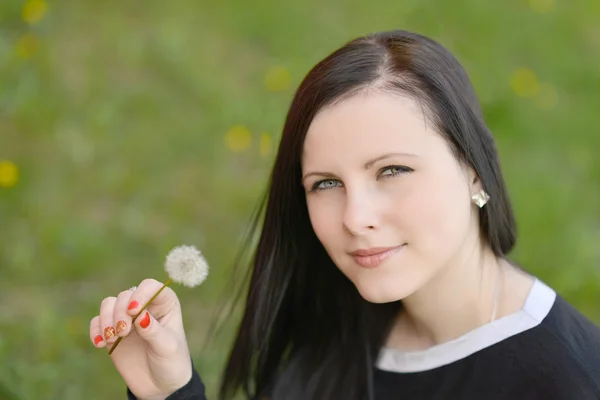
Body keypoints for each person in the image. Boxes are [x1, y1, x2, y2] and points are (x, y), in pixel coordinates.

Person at [89, 29, 600, 400]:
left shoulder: (564, 380)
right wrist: (169, 392)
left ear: (474, 171)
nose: (355, 218)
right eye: (326, 184)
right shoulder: (333, 313)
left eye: (392, 170)